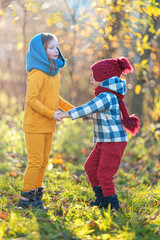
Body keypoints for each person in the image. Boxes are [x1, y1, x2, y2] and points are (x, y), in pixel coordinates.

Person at [58, 57, 140, 211]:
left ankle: (112, 206)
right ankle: (101, 199)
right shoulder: (105, 95)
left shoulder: (106, 96)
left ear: (104, 79)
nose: (90, 78)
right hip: (104, 141)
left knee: (104, 174)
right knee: (90, 167)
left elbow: (87, 109)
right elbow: (92, 112)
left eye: (93, 75)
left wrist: (64, 115)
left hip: (113, 142)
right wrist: (73, 114)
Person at [17, 33, 74, 210]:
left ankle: (36, 197)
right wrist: (51, 114)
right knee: (35, 161)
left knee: (43, 162)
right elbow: (31, 100)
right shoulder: (37, 73)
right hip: (34, 125)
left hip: (48, 125)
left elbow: (54, 97)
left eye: (56, 47)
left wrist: (74, 110)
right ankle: (25, 200)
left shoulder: (53, 73)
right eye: (51, 48)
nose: (56, 51)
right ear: (40, 51)